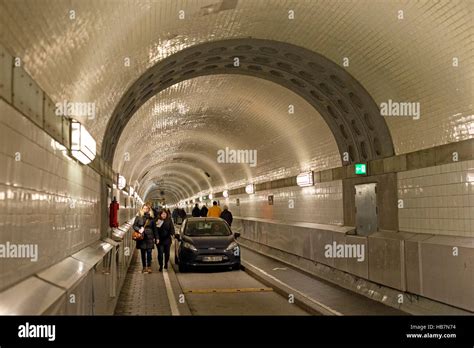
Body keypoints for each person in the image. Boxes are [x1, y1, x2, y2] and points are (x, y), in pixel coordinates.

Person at [133, 204, 157, 274]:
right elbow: (134, 225)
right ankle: (144, 267)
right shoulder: (138, 217)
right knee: (143, 253)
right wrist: (138, 229)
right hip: (141, 237)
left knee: (149, 252)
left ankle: (149, 267)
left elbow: (155, 229)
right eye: (144, 208)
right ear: (142, 209)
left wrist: (156, 238)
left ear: (149, 210)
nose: (145, 209)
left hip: (149, 237)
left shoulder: (151, 218)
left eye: (147, 208)